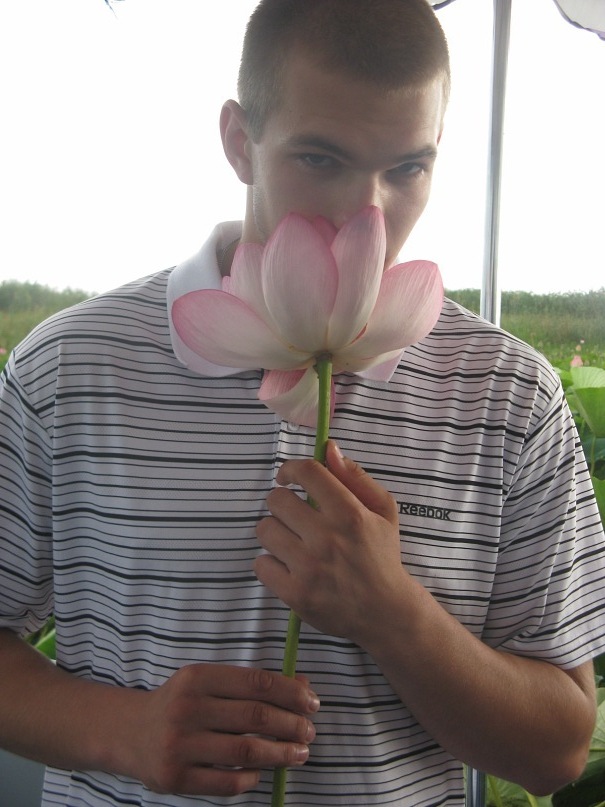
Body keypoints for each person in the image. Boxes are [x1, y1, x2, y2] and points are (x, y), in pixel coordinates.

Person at [0, 1, 604, 804]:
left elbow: (557, 749)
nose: (368, 213)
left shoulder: (511, 394)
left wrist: (394, 615)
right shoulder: (66, 368)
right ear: (238, 140)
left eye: (407, 169)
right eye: (320, 158)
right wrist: (124, 729)